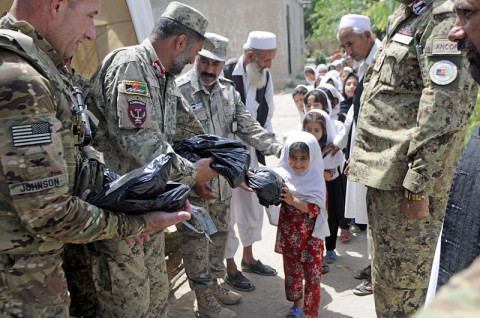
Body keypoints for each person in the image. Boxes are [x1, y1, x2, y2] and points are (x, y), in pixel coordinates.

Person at [0, 0, 192, 317]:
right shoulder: (21, 79)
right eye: (90, 16)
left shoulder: (40, 67)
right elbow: (47, 212)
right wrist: (135, 223)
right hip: (19, 289)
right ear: (57, 5)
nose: (91, 34)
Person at [347, 0, 478, 315]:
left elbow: (444, 108)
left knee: (404, 293)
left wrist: (418, 186)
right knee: (387, 282)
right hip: (386, 176)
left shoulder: (444, 19)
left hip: (408, 185)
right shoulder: (408, 15)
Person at [87, 2, 218, 317]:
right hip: (117, 213)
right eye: (194, 53)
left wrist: (207, 169)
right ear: (181, 42)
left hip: (147, 208)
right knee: (128, 306)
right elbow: (139, 143)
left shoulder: (163, 78)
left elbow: (186, 132)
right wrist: (192, 173)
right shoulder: (131, 67)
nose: (191, 63)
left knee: (157, 298)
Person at [175, 32, 283, 318]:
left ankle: (215, 286)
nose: (210, 70)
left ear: (224, 65)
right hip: (192, 187)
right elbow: (169, 143)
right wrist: (192, 180)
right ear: (196, 58)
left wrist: (278, 147)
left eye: (216, 64)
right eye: (204, 62)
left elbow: (249, 127)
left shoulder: (227, 91)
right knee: (197, 243)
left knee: (219, 238)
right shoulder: (178, 91)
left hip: (222, 186)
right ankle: (204, 302)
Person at [223, 31, 278, 290]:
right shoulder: (224, 74)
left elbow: (267, 117)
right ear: (249, 56)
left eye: (270, 61)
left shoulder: (265, 77)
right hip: (227, 156)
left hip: (253, 153)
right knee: (229, 210)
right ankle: (230, 267)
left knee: (251, 207)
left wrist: (269, 143)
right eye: (265, 60)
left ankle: (248, 258)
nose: (268, 66)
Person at [332, 14, 382, 297]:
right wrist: (341, 144)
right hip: (362, 150)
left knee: (378, 214)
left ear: (367, 36)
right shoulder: (365, 63)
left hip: (378, 155)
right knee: (368, 212)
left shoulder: (384, 59)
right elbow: (356, 108)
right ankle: (374, 265)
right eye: (344, 45)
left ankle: (380, 274)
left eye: (350, 44)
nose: (347, 51)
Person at [274, 131, 329, 318]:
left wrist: (291, 199)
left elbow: (314, 209)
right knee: (293, 271)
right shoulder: (281, 175)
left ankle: (311, 311)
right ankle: (297, 304)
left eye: (303, 158)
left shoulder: (316, 179)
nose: (297, 164)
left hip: (311, 237)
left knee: (313, 275)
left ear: (312, 158)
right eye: (293, 158)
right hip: (290, 234)